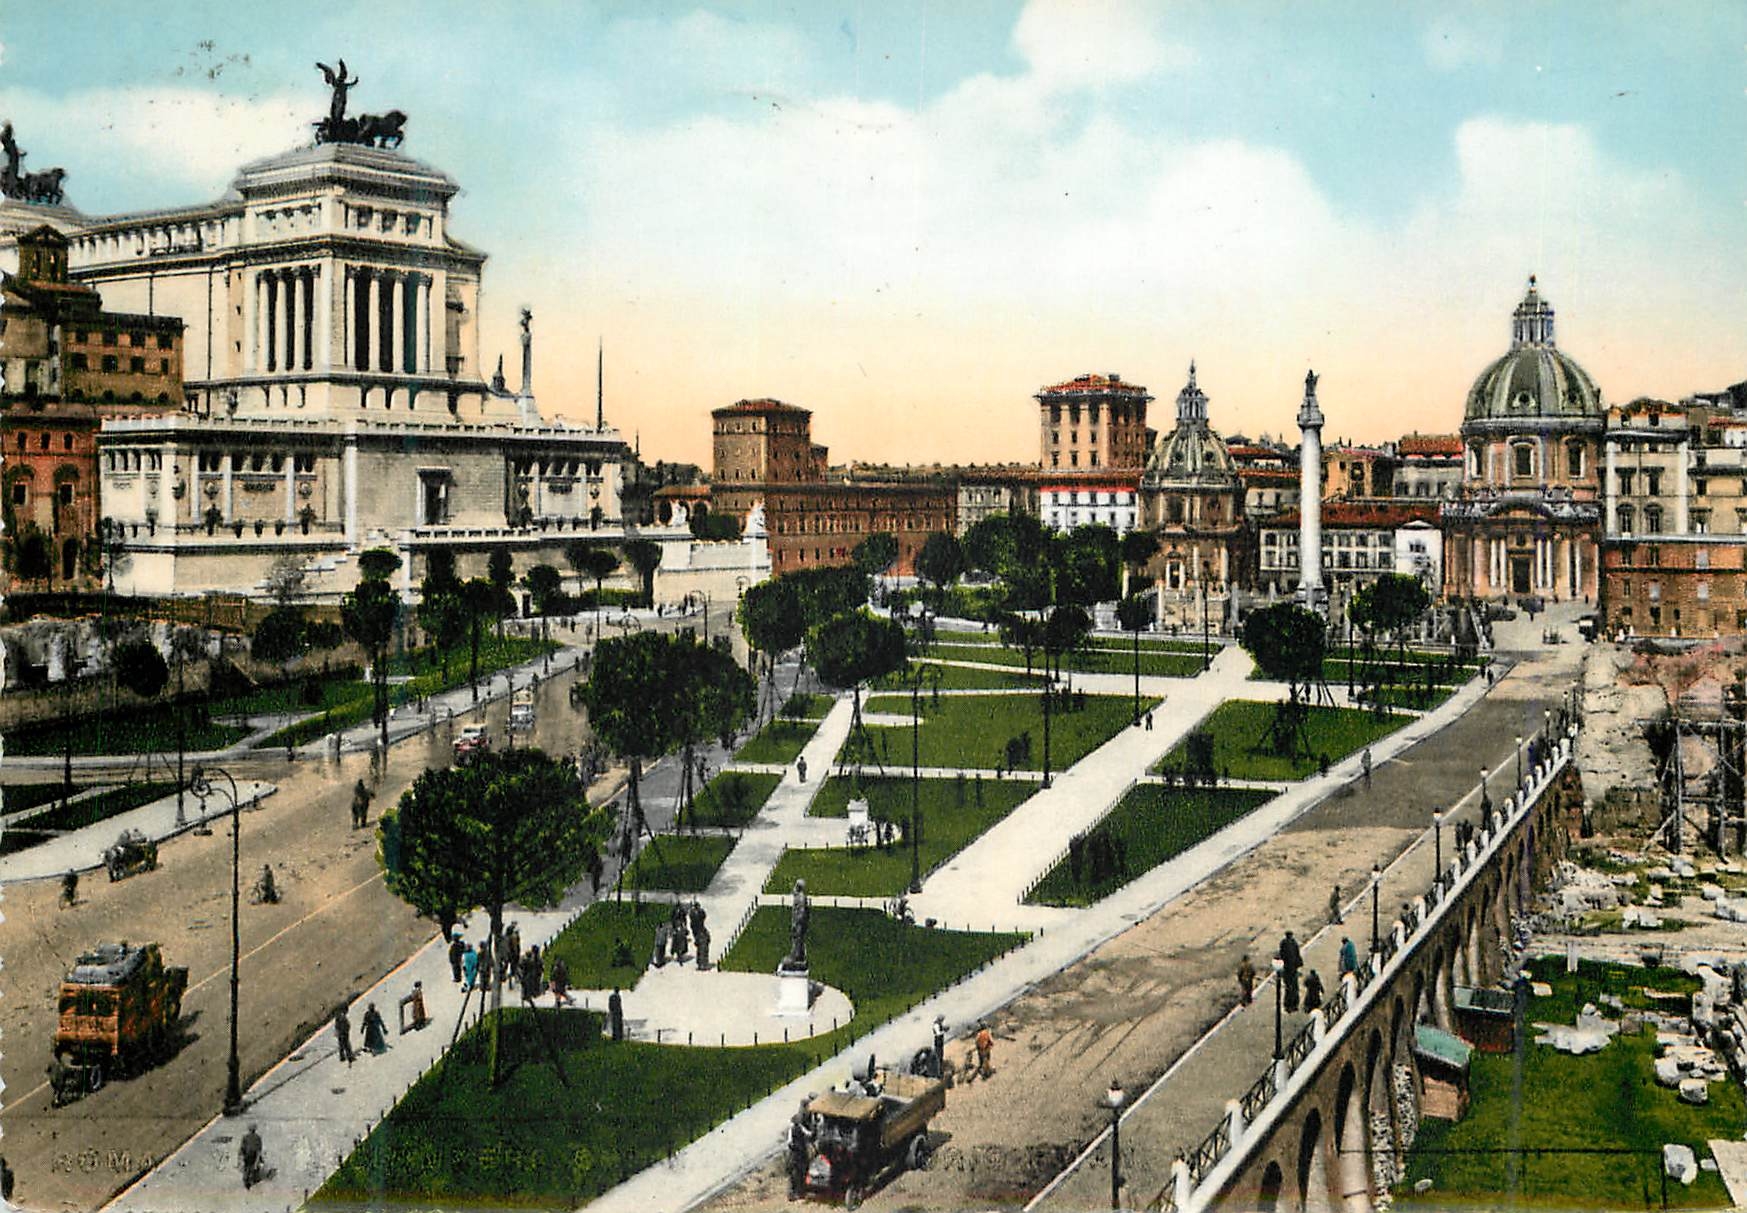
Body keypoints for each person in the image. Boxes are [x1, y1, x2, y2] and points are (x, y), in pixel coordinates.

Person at [787, 1097, 816, 1199]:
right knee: (800, 1170)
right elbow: (809, 1134)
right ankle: (798, 1191)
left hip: (794, 1152)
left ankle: (794, 1191)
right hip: (799, 1152)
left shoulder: (793, 1128)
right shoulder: (799, 1127)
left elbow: (789, 1141)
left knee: (794, 1173)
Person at [1279, 931, 1303, 1012]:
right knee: (1294, 988)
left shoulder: (1283, 943)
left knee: (1288, 989)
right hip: (1292, 969)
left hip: (1287, 970)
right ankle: (1293, 1005)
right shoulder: (1293, 943)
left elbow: (1281, 954)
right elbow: (1297, 954)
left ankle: (1289, 1005)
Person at [238, 1123, 264, 1189]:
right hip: (253, 1156)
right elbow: (259, 1150)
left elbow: (242, 1148)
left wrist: (240, 1157)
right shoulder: (258, 1137)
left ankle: (248, 1178)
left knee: (248, 1168)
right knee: (255, 1168)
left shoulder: (245, 1137)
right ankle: (253, 1177)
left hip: (248, 1156)